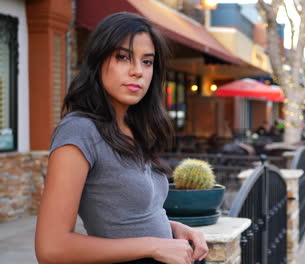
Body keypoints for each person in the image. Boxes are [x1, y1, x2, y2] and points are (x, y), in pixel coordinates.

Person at [35, 12, 208, 264]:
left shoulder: (133, 127)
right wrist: (153, 246)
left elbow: (124, 219)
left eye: (147, 62)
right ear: (98, 60)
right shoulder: (80, 131)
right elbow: (51, 248)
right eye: (123, 57)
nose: (138, 71)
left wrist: (172, 228)